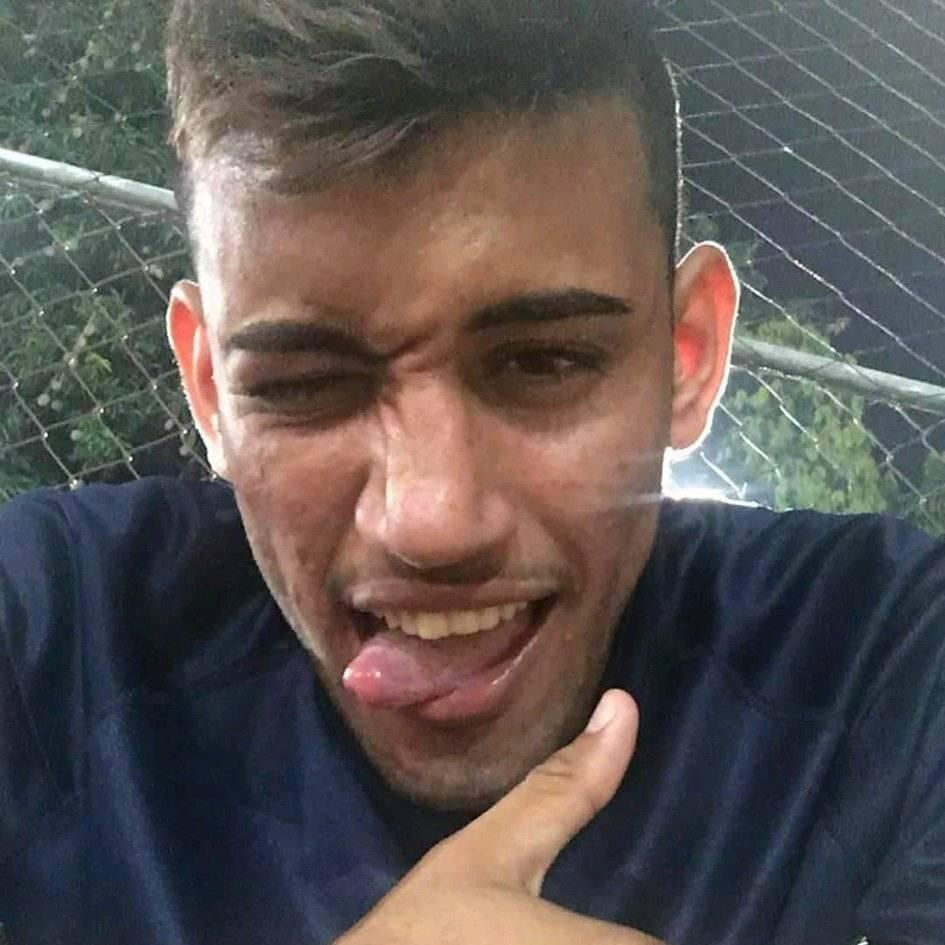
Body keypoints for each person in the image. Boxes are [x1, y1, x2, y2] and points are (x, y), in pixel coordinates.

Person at [1, 1, 943, 942]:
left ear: (686, 357)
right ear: (210, 393)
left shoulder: (888, 661)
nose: (432, 520)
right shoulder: (49, 639)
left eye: (544, 362)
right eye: (304, 384)